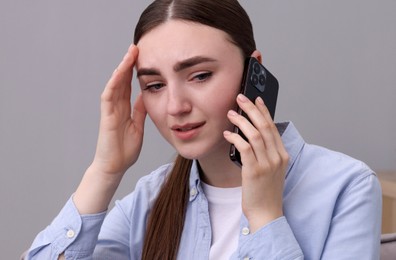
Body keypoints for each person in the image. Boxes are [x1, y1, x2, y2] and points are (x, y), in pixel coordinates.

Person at [26, 0, 382, 259]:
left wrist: (264, 217)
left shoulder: (346, 187)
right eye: (154, 85)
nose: (175, 106)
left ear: (252, 72)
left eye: (199, 76)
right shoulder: (150, 200)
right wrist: (104, 171)